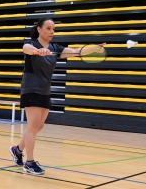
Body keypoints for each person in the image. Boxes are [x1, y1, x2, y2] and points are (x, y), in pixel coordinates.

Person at [9, 18, 105, 175]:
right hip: (31, 88)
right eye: (48, 28)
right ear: (39, 29)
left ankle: (17, 150)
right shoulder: (32, 43)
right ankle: (30, 163)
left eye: (53, 29)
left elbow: (76, 52)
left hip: (45, 90)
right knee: (33, 126)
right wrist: (37, 51)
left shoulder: (55, 48)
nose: (52, 31)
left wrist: (94, 49)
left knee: (39, 126)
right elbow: (25, 48)